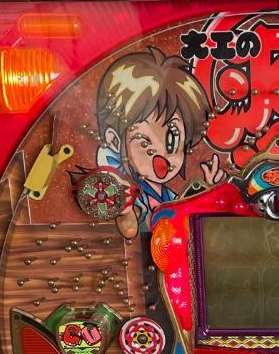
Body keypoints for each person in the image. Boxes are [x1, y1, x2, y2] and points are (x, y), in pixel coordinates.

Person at [94, 46, 222, 238]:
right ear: (114, 140)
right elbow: (130, 229)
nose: (162, 154)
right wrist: (126, 211)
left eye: (172, 138)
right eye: (144, 142)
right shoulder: (135, 196)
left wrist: (209, 191)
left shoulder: (169, 196)